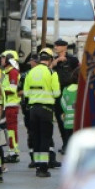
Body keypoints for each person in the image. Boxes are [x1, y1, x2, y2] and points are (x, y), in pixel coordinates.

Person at [23, 48, 61, 178]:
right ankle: (43, 168)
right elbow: (57, 93)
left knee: (36, 138)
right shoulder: (51, 73)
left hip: (33, 110)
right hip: (46, 110)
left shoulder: (30, 73)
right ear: (50, 60)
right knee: (45, 138)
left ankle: (37, 165)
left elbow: (26, 93)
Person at [0, 49, 22, 163]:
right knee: (9, 130)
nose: (1, 60)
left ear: (9, 59)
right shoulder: (7, 72)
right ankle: (12, 151)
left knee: (12, 130)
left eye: (3, 58)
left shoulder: (12, 72)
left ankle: (13, 152)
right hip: (7, 105)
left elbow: (12, 89)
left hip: (11, 105)